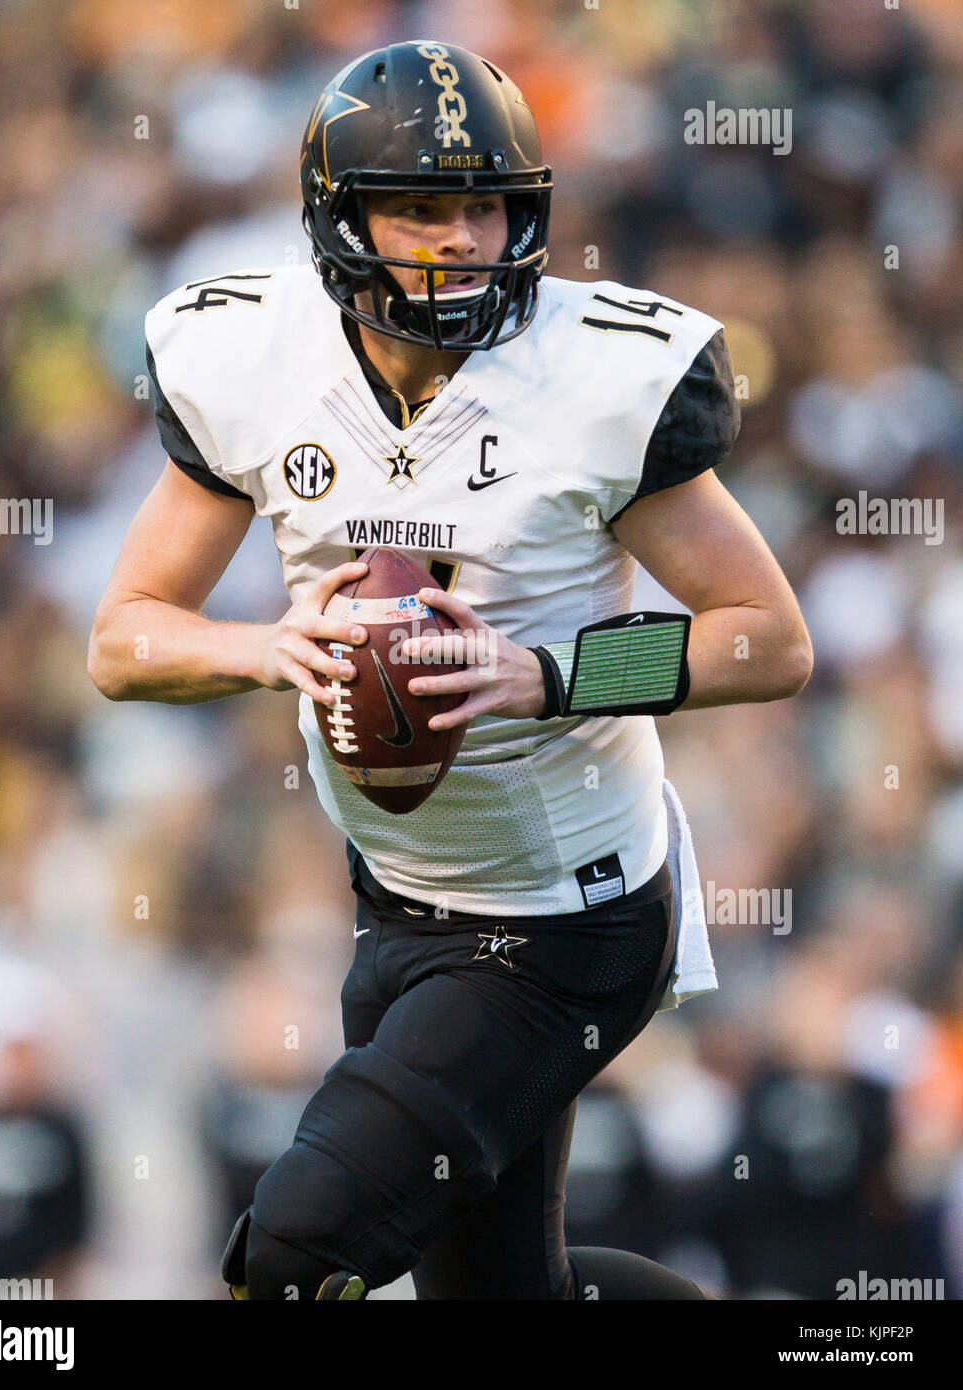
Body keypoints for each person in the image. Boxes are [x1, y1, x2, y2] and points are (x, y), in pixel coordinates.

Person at [88, 40, 812, 1299]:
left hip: (569, 918)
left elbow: (765, 635)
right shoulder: (256, 359)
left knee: (294, 1251)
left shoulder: (594, 379)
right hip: (398, 895)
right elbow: (123, 635)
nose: (464, 237)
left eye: (483, 203)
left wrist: (548, 674)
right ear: (340, 213)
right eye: (422, 205)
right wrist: (265, 648)